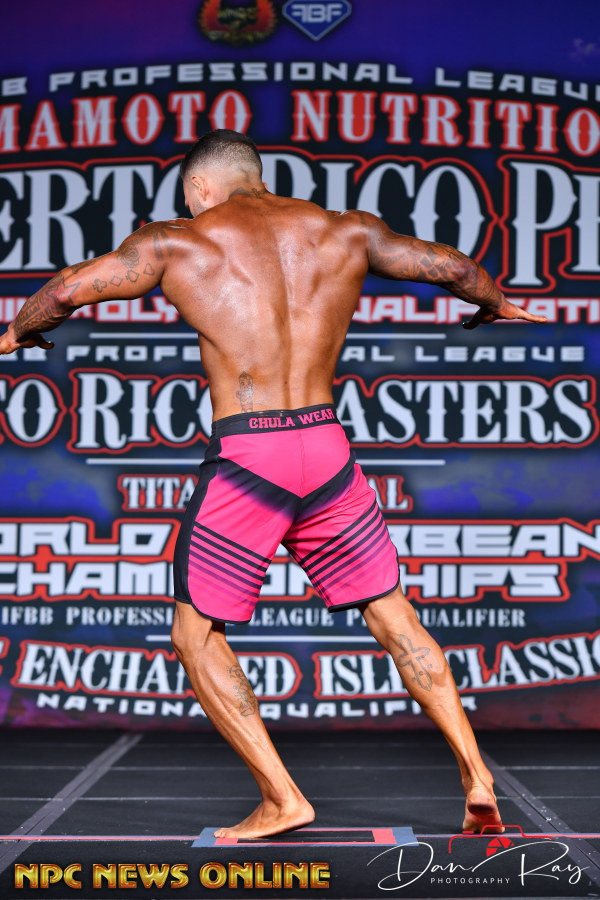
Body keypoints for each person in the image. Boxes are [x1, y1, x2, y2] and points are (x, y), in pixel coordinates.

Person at [0, 129, 547, 841]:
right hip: (326, 448)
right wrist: (496, 302)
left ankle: (283, 798)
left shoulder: (178, 240)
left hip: (251, 455)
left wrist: (15, 334)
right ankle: (476, 774)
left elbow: (67, 290)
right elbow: (449, 266)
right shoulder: (346, 230)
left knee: (195, 634)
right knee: (393, 615)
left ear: (199, 188)